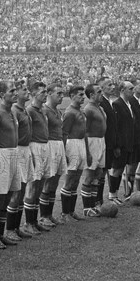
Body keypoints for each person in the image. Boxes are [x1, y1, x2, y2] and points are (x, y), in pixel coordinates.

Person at [0, 80, 21, 249]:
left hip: (13, 153)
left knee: (8, 195)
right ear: (2, 95)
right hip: (2, 155)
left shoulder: (11, 112)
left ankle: (0, 234)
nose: (15, 93)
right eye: (12, 90)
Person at [6, 80, 35, 240]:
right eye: (24, 89)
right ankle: (10, 229)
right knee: (16, 190)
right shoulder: (15, 111)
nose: (27, 92)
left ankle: (17, 227)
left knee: (23, 189)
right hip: (17, 150)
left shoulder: (24, 110)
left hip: (26, 150)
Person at [59, 85, 91, 223]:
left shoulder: (81, 111)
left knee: (76, 179)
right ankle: (65, 213)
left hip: (81, 144)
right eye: (80, 95)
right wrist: (64, 152)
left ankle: (71, 211)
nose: (83, 97)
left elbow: (85, 134)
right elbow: (64, 133)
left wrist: (88, 152)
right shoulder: (70, 112)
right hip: (72, 144)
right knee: (70, 179)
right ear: (72, 96)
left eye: (83, 95)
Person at [24, 82, 51, 235]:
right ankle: (29, 223)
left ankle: (35, 221)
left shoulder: (42, 110)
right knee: (33, 186)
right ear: (33, 94)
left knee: (40, 185)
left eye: (46, 91)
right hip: (35, 147)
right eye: (42, 92)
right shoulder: (30, 111)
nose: (45, 94)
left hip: (44, 146)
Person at [39, 83, 67, 228]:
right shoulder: (44, 110)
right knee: (48, 182)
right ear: (49, 93)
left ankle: (49, 214)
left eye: (62, 94)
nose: (62, 96)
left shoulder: (58, 111)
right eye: (59, 94)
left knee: (55, 182)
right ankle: (43, 216)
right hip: (49, 145)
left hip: (59, 145)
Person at [107, 81, 135, 205]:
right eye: (130, 88)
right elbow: (116, 126)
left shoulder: (129, 104)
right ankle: (112, 195)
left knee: (121, 168)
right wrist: (117, 145)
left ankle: (116, 193)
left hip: (128, 142)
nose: (132, 91)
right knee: (117, 169)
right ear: (122, 90)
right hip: (121, 143)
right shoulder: (117, 104)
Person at [82, 83, 106, 216]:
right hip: (92, 142)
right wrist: (88, 151)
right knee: (90, 174)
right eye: (99, 91)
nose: (101, 93)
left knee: (98, 173)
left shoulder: (99, 108)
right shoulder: (88, 109)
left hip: (101, 141)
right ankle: (87, 208)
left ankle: (94, 204)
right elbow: (84, 131)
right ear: (91, 95)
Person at [97, 77, 118, 206]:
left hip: (110, 142)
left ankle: (100, 200)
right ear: (102, 87)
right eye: (109, 85)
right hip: (103, 142)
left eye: (112, 85)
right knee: (100, 173)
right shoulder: (101, 103)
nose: (112, 87)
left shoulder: (109, 101)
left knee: (104, 172)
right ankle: (97, 200)